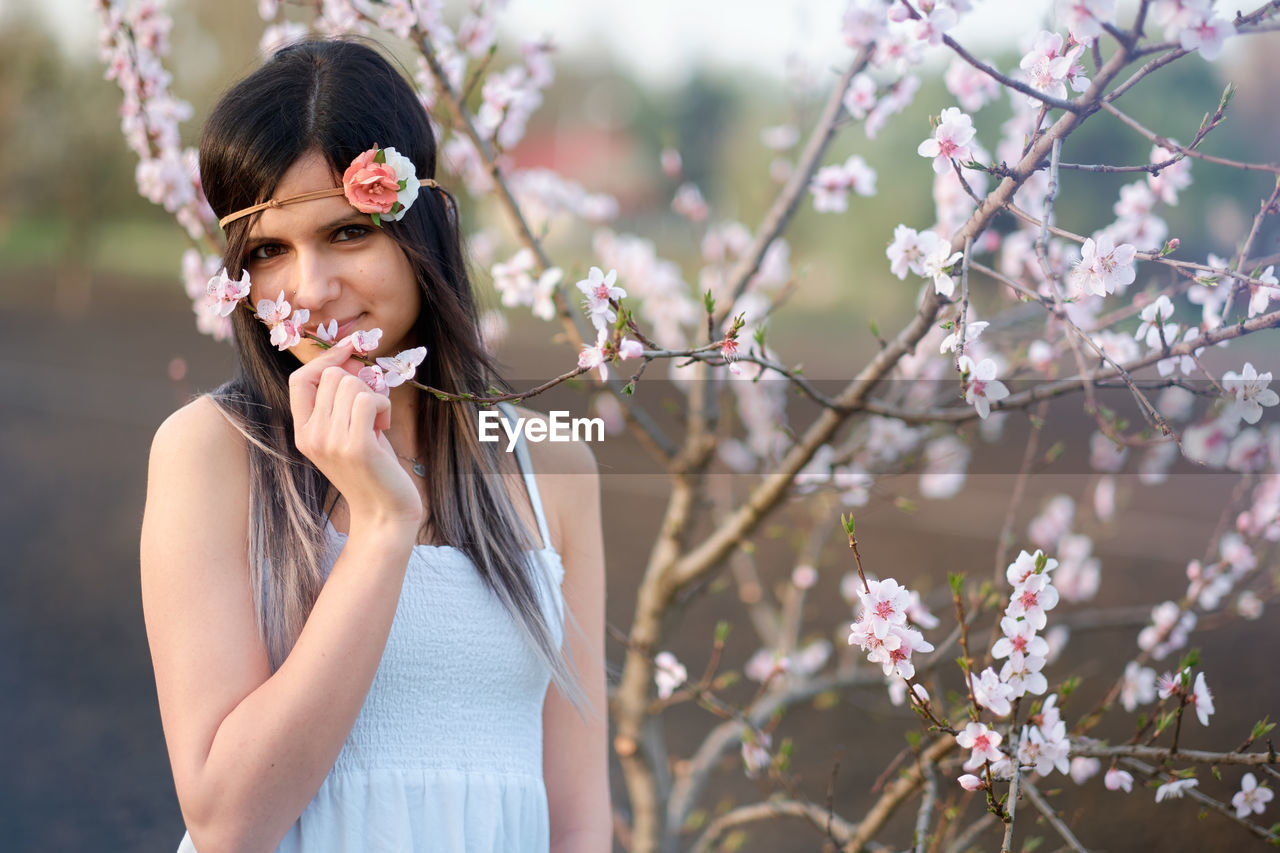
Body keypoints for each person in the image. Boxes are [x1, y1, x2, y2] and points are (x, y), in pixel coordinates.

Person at [139, 39, 611, 852]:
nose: (312, 289)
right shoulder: (208, 454)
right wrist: (381, 526)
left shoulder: (551, 470)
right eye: (268, 251)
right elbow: (225, 820)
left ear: (422, 227)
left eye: (349, 232)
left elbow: (577, 818)